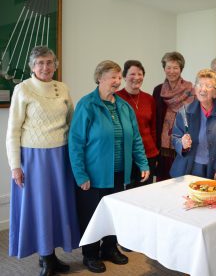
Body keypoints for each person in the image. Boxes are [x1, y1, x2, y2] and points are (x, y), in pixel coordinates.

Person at [68, 60, 150, 273]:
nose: (117, 81)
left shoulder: (124, 106)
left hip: (120, 172)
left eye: (118, 77)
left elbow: (136, 139)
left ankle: (110, 248)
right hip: (94, 174)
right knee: (93, 215)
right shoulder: (87, 105)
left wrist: (142, 162)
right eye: (112, 77)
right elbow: (75, 143)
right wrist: (80, 174)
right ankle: (91, 254)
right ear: (99, 79)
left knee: (114, 213)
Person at [6, 46, 80, 276]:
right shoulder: (22, 89)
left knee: (57, 206)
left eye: (49, 62)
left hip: (61, 156)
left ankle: (52, 255)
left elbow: (72, 121)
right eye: (40, 63)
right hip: (33, 158)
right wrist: (15, 166)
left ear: (55, 65)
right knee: (40, 207)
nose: (45, 67)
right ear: (32, 67)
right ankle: (45, 258)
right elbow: (13, 130)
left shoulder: (63, 88)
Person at [170, 69, 216, 182]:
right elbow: (175, 137)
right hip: (191, 168)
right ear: (195, 88)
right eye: (199, 85)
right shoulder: (184, 111)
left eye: (208, 86)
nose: (203, 89)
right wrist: (182, 143)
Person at [153, 51, 194, 181]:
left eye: (175, 68)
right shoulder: (158, 90)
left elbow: (194, 118)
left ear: (181, 69)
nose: (172, 71)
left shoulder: (190, 89)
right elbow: (155, 119)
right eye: (168, 67)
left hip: (183, 145)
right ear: (164, 69)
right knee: (163, 184)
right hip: (163, 147)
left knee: (181, 183)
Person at [117, 60, 158, 187]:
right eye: (132, 74)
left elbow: (153, 129)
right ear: (124, 76)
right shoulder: (116, 98)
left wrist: (155, 153)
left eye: (140, 74)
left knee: (146, 193)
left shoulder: (149, 99)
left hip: (149, 154)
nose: (137, 78)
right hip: (127, 155)